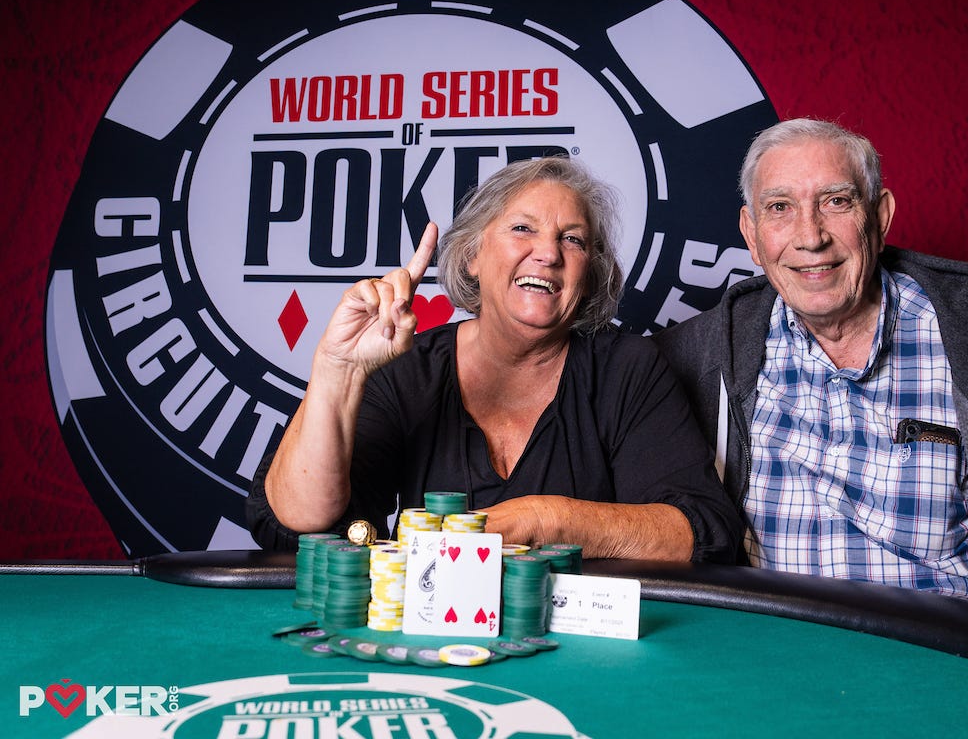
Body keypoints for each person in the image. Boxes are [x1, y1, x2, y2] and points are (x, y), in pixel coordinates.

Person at [653, 118, 968, 627]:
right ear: (752, 234)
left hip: (946, 656)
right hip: (770, 654)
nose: (810, 236)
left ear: (880, 216)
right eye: (780, 208)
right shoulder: (702, 354)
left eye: (836, 202)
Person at [247, 156, 739, 563]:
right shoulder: (407, 367)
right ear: (472, 257)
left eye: (572, 239)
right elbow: (298, 524)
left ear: (589, 275)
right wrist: (339, 369)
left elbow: (700, 532)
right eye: (522, 228)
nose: (548, 254)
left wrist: (545, 521)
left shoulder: (627, 368)